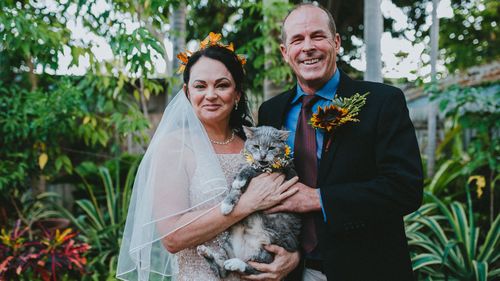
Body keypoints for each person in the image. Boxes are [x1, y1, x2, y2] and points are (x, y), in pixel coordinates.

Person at [257, 3, 423, 281]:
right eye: (297, 40)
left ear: (336, 42)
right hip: (293, 271)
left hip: (368, 269)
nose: (308, 47)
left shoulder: (383, 102)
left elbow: (405, 188)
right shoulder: (270, 111)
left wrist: (319, 199)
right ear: (286, 53)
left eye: (317, 36)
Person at [116, 33, 300, 281]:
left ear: (237, 94)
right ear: (187, 92)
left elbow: (284, 211)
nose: (211, 94)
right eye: (200, 86)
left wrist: (292, 257)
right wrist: (247, 203)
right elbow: (172, 237)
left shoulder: (254, 147)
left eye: (222, 85)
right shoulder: (174, 148)